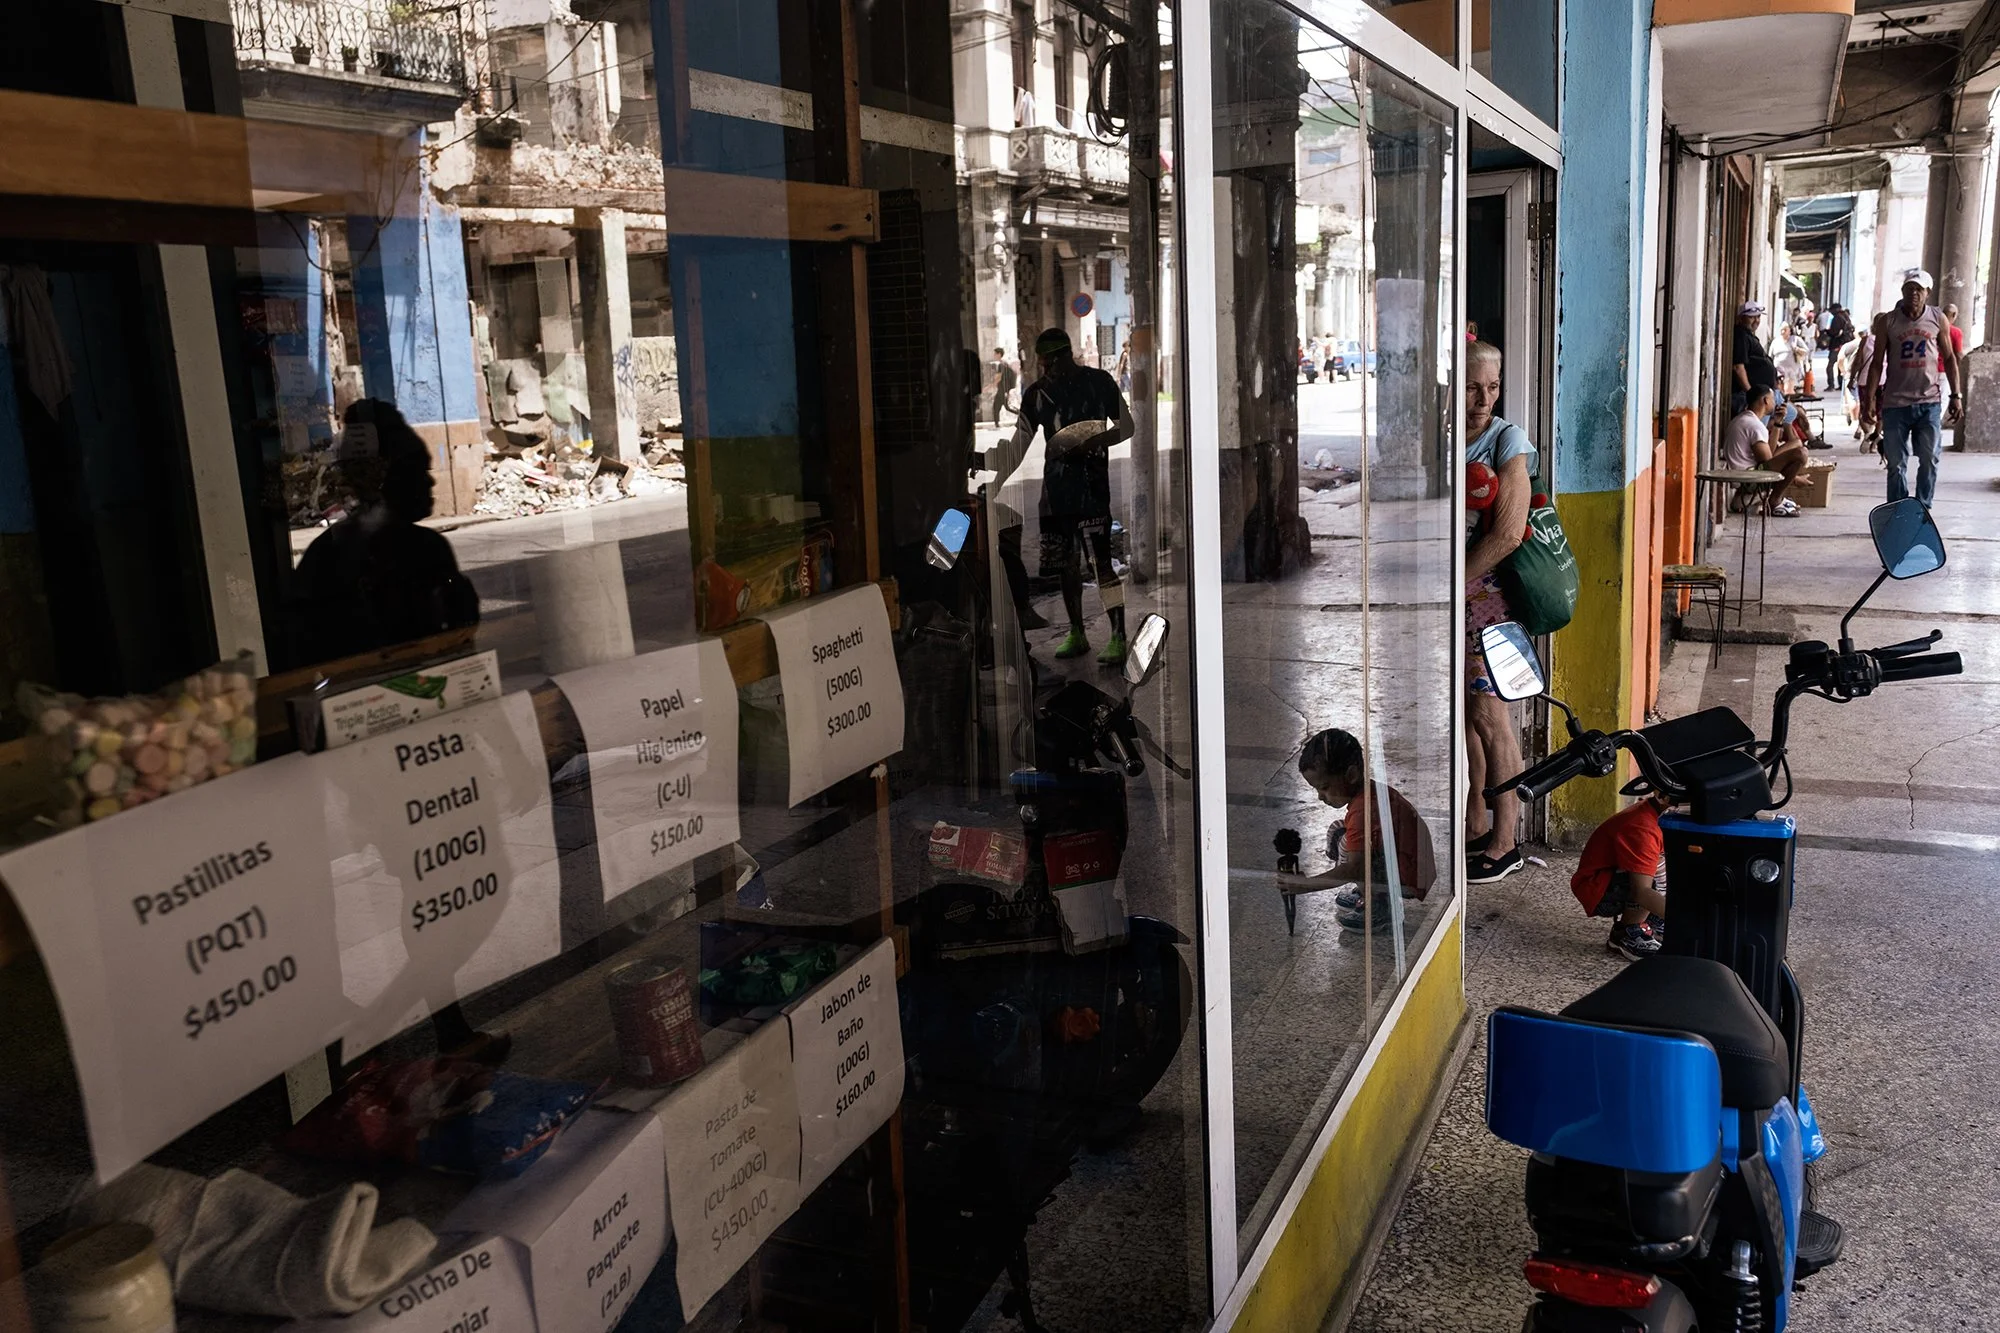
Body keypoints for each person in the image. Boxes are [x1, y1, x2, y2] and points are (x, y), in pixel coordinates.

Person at [293, 399, 480, 663]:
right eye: (418, 469)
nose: (430, 480)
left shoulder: (426, 549)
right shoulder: (331, 557)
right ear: (385, 480)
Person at [1002, 327, 1134, 664]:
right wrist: (994, 470)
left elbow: (1127, 426)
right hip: (1055, 494)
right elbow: (1019, 446)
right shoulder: (1037, 394)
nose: (1046, 370)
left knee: (1101, 563)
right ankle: (1077, 632)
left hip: (1092, 490)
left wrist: (1092, 442)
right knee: (1066, 564)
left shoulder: (1099, 382)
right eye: (1042, 364)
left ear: (1065, 356)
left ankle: (1119, 635)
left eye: (1049, 363)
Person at [1463, 340, 1533, 885]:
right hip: (1451, 593)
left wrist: (1450, 584)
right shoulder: (1442, 436)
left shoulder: (1506, 440)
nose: (1483, 400)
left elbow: (1509, 533)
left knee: (1491, 717)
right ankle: (1477, 823)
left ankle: (1507, 841)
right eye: (1471, 388)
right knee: (1468, 716)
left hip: (1484, 596)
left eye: (1492, 387)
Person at [1281, 728, 1437, 933]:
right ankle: (1371, 892)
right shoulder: (1367, 794)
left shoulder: (1364, 810)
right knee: (1339, 831)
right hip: (1411, 866)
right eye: (1317, 789)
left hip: (1410, 877)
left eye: (1325, 787)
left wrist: (1305, 885)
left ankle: (1380, 906)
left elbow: (1354, 868)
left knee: (1349, 846)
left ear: (1352, 775)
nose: (1320, 796)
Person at [1859, 269, 1962, 505]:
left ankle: (1923, 507)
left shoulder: (1937, 318)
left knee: (1930, 458)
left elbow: (1949, 358)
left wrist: (1956, 395)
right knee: (1896, 463)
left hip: (1929, 401)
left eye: (1919, 289)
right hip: (1896, 403)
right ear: (1902, 291)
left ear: (1927, 292)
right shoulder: (1888, 321)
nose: (1913, 293)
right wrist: (1869, 400)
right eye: (1909, 288)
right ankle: (1899, 508)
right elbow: (1877, 363)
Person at [1571, 794, 1671, 960]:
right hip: (1598, 889)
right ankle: (1628, 933)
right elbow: (1642, 891)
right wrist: (1684, 921)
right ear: (1664, 798)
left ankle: (1654, 920)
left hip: (1615, 876)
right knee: (1646, 883)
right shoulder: (1643, 828)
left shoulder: (1658, 813)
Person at [1721, 386, 1805, 517]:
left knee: (1797, 447)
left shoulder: (1743, 419)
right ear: (1765, 400)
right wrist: (1793, 477)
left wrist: (1778, 422)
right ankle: (1775, 501)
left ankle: (1770, 498)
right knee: (1801, 453)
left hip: (1742, 475)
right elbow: (1768, 460)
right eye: (1773, 399)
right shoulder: (1754, 425)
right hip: (1747, 479)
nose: (1775, 403)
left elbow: (1768, 456)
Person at [1731, 301, 1778, 416]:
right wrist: (1751, 395)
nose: (1756, 320)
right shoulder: (1741, 335)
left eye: (1758, 317)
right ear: (1741, 318)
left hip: (1764, 394)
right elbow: (1738, 367)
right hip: (1754, 397)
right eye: (1751, 317)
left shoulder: (1749, 335)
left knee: (1789, 413)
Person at [988, 346, 1018, 425]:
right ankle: (997, 424)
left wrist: (990, 387)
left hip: (1002, 390)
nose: (994, 355)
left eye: (995, 354)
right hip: (1003, 389)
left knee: (1001, 407)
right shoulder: (1005, 364)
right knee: (999, 407)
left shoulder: (1001, 365)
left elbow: (999, 378)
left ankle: (1022, 414)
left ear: (999, 354)